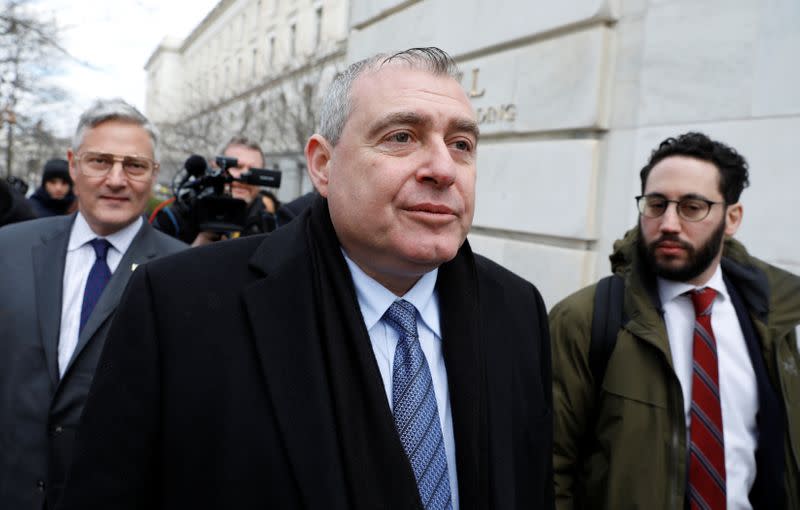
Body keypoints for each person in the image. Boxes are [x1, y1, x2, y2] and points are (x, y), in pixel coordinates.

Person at [57, 48, 554, 509]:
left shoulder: (517, 309)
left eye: (461, 143)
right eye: (401, 136)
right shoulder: (177, 304)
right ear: (323, 164)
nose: (443, 168)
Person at [549, 132, 800, 510]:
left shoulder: (778, 315)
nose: (668, 222)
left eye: (692, 207)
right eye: (656, 204)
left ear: (732, 218)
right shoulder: (583, 320)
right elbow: (550, 468)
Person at [0, 98, 187, 510]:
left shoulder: (188, 272)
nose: (116, 179)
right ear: (72, 165)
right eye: (99, 161)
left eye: (134, 166)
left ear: (154, 174)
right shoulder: (8, 249)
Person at [151, 136, 280, 245]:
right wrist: (191, 254)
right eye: (237, 167)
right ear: (215, 168)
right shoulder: (179, 215)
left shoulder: (271, 222)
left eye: (253, 170)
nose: (243, 177)